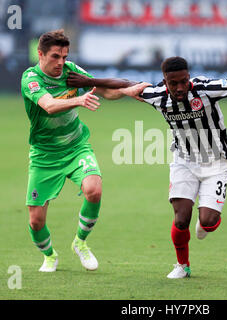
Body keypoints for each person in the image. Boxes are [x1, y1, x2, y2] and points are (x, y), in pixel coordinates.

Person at [67, 56, 227, 278]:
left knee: (208, 222)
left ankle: (206, 222)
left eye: (183, 81)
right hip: (183, 162)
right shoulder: (157, 95)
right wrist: (88, 82)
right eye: (173, 82)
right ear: (164, 81)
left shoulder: (206, 89)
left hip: (217, 162)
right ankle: (182, 265)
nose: (179, 87)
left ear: (189, 77)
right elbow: (122, 84)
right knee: (181, 217)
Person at [21, 29, 147, 272]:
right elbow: (48, 105)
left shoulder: (71, 71)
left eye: (65, 56)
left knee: (94, 190)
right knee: (36, 221)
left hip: (76, 147)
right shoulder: (31, 78)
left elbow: (101, 89)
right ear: (40, 54)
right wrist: (78, 100)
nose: (61, 63)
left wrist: (127, 92)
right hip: (44, 155)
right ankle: (49, 256)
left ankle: (80, 242)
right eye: (56, 56)